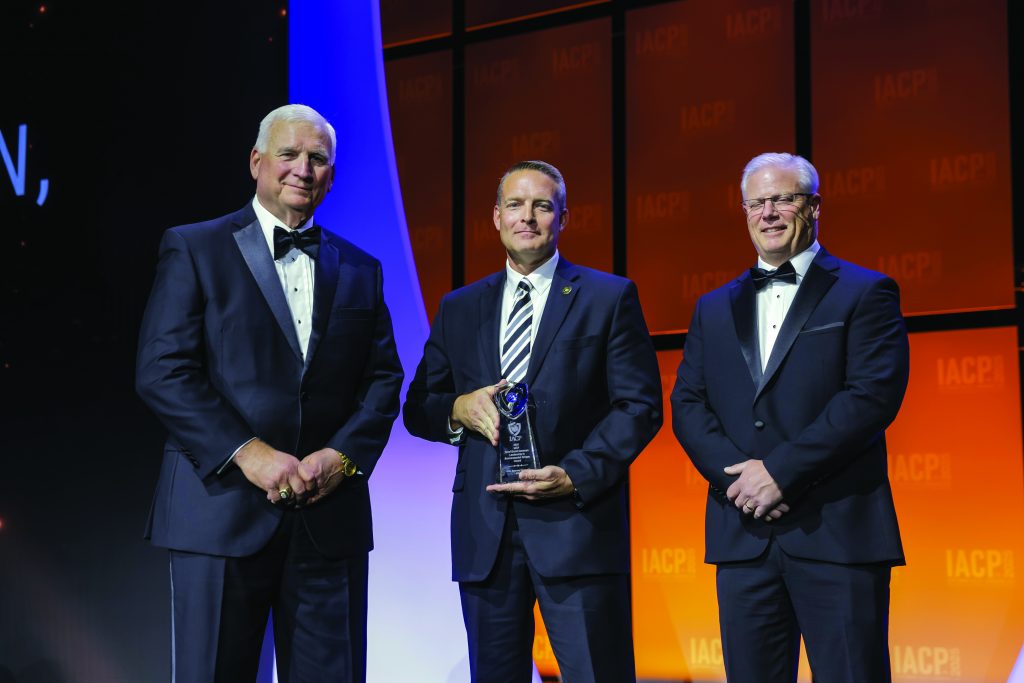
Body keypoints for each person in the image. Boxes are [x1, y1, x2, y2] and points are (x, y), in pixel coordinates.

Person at [135, 104, 403, 682]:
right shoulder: (194, 247)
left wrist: (344, 456)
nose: (302, 169)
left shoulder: (363, 268)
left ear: (331, 174)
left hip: (328, 521)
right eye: (288, 154)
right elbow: (163, 369)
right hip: (220, 514)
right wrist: (249, 453)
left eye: (318, 159)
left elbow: (383, 379)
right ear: (257, 162)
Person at [403, 160, 661, 683]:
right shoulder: (460, 306)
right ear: (496, 217)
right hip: (486, 535)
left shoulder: (608, 297)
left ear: (563, 217)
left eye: (542, 205)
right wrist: (457, 408)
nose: (528, 217)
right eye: (515, 205)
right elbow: (419, 407)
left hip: (577, 527)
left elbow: (639, 406)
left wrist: (577, 473)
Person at [671, 152, 909, 682]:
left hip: (837, 532)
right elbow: (687, 404)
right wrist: (741, 481)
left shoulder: (865, 291)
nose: (769, 212)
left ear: (815, 206)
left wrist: (779, 473)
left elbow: (870, 398)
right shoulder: (712, 306)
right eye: (757, 201)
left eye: (784, 198)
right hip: (743, 536)